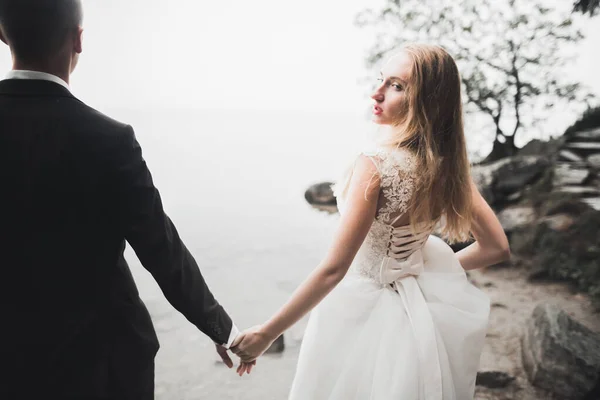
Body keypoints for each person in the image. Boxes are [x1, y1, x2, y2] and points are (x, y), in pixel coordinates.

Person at [231, 44, 511, 399]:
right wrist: (423, 273)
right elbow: (497, 248)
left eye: (397, 86)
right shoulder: (448, 167)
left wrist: (266, 334)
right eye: (381, 80)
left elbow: (334, 270)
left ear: (426, 101)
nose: (376, 92)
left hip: (358, 312)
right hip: (418, 316)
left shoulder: (375, 164)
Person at [0, 1, 240, 398]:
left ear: (4, 35)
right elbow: (161, 250)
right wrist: (220, 327)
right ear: (78, 40)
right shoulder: (108, 140)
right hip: (97, 364)